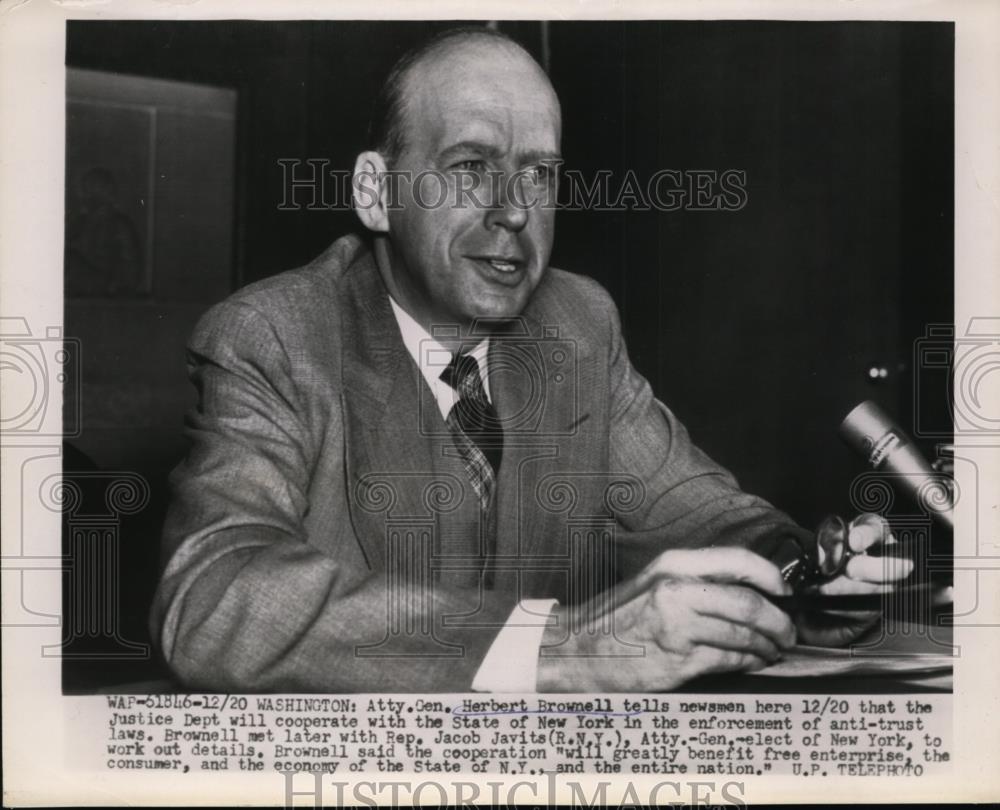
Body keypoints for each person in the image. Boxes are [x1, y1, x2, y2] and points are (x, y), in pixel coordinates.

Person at [150, 27, 911, 693]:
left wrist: (807, 577)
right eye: (472, 166)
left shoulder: (576, 327)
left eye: (540, 173)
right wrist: (558, 648)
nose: (515, 209)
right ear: (377, 193)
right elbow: (211, 599)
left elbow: (706, 518)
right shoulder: (274, 337)